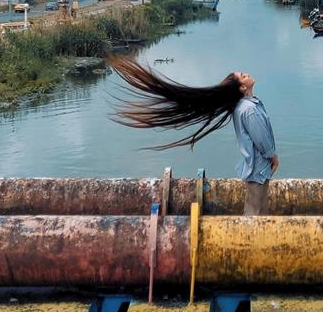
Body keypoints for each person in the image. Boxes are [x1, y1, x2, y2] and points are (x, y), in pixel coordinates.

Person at [110, 58, 279, 215]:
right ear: (242, 88)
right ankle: (248, 245)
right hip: (258, 167)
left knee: (258, 210)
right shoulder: (248, 110)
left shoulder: (247, 105)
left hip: (256, 166)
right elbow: (261, 139)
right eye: (243, 76)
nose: (247, 74)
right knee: (255, 214)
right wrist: (272, 156)